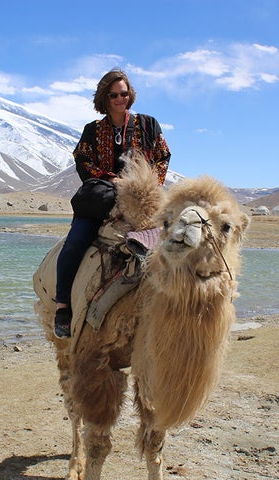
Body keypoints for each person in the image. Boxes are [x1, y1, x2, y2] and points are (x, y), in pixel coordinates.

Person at [54, 68, 171, 338]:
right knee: (75, 243)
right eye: (113, 95)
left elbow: (163, 156)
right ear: (104, 99)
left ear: (130, 95)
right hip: (101, 198)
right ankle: (62, 307)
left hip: (141, 199)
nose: (120, 98)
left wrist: (146, 183)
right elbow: (82, 160)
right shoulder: (92, 131)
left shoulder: (148, 124)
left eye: (124, 93)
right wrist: (111, 179)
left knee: (172, 244)